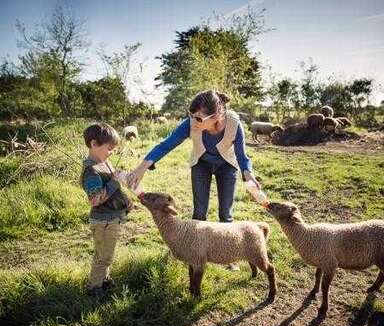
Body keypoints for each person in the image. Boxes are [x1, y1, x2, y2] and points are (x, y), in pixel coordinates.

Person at [127, 90, 261, 268]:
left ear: (217, 115)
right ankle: (192, 251)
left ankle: (229, 255)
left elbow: (242, 157)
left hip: (227, 165)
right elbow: (166, 144)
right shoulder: (191, 123)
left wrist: (249, 176)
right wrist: (141, 168)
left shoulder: (234, 124)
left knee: (225, 213)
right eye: (192, 116)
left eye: (199, 118)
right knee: (199, 212)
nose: (194, 121)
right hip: (201, 164)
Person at [80, 123, 133, 297]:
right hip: (104, 222)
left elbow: (115, 191)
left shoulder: (105, 163)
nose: (111, 153)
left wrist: (126, 201)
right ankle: (94, 289)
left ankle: (104, 279)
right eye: (109, 149)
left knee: (105, 253)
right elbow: (94, 199)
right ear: (94, 144)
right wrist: (114, 182)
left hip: (113, 219)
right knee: (104, 257)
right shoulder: (91, 171)